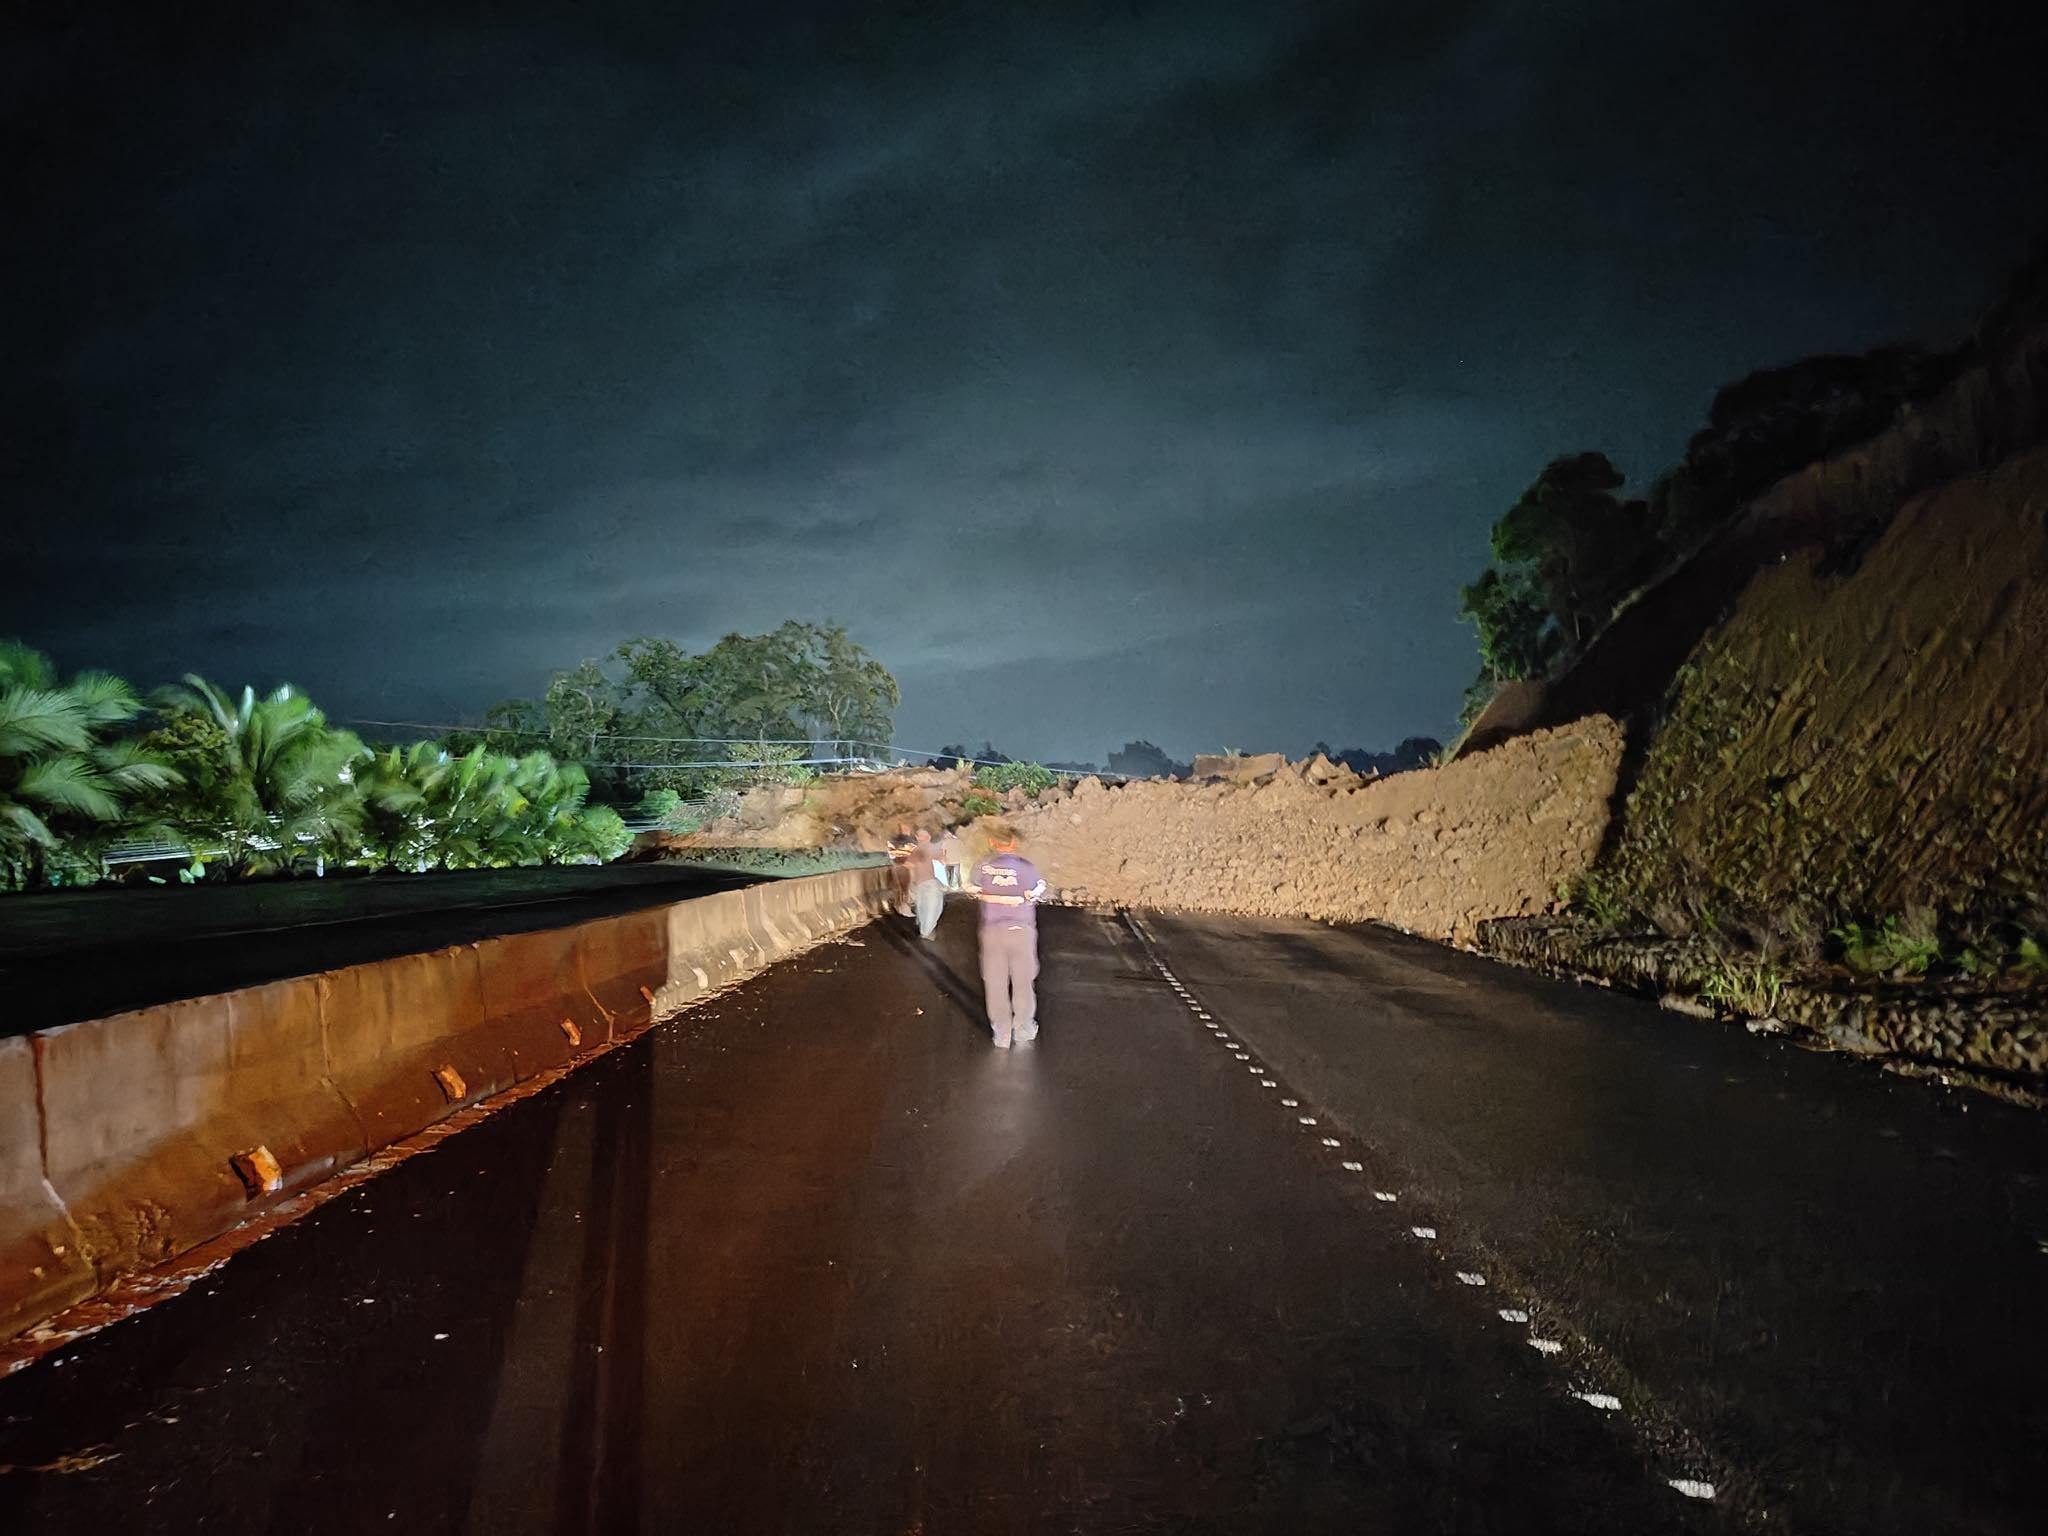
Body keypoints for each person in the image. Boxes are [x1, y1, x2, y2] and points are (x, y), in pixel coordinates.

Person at [970, 824, 1047, 1048]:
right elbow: (1037, 891)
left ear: (993, 843)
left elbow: (972, 888)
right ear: (1015, 843)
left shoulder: (982, 866)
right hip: (1021, 931)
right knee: (1023, 980)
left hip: (992, 932)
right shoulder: (1027, 868)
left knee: (995, 981)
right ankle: (1023, 1027)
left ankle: (1001, 1033)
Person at [907, 828, 945, 938]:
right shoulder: (931, 848)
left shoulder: (915, 851)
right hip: (931, 882)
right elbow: (943, 860)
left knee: (922, 906)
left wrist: (911, 882)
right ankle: (926, 932)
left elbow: (909, 867)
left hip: (918, 883)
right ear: (928, 838)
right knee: (934, 907)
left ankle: (923, 927)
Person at [886, 823, 915, 915]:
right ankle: (903, 907)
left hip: (899, 865)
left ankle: (902, 907)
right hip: (903, 866)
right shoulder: (910, 842)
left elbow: (891, 854)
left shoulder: (893, 841)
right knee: (904, 888)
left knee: (902, 888)